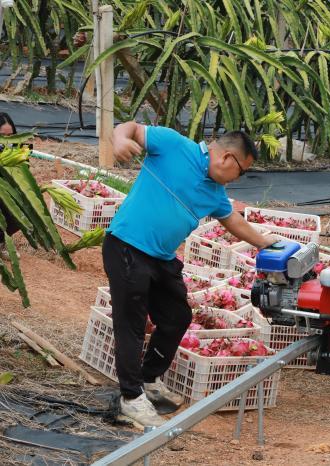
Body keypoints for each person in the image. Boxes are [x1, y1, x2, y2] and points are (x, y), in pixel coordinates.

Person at [105, 122, 278, 427]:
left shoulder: (214, 192)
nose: (237, 179)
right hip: (127, 246)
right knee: (131, 323)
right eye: (241, 172)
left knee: (176, 317)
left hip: (161, 258)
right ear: (226, 159)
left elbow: (233, 221)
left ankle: (147, 379)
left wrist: (265, 242)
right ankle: (130, 398)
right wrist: (119, 140)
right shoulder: (174, 145)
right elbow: (129, 127)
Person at [0, 112, 21, 261]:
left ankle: (2, 242)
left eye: (11, 135)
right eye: (2, 135)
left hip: (6, 192)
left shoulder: (18, 148)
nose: (7, 140)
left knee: (23, 210)